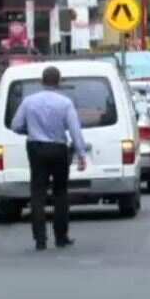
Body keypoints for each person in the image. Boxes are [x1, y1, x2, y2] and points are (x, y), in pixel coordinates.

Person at [11, 66, 87, 251]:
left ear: (41, 81)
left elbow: (16, 125)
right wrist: (81, 154)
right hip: (58, 148)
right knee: (60, 192)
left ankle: (40, 239)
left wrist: (30, 130)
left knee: (37, 193)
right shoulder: (65, 103)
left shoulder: (29, 101)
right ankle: (61, 236)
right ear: (59, 82)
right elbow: (75, 130)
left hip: (36, 147)